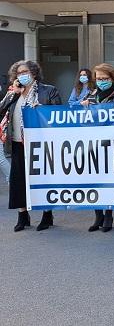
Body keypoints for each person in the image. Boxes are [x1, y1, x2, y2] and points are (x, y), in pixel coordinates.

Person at [0, 60, 61, 232]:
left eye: (25, 72)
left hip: (40, 143)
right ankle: (22, 216)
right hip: (19, 144)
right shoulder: (14, 93)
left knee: (41, 179)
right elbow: (1, 110)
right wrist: (14, 94)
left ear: (34, 72)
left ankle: (47, 215)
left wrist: (40, 109)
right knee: (18, 181)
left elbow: (58, 114)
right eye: (18, 73)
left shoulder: (48, 90)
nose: (22, 75)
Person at [81, 63, 114, 232]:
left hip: (113, 144)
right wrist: (82, 108)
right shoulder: (90, 98)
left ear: (112, 79)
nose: (102, 81)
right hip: (93, 144)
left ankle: (108, 214)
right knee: (94, 179)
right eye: (99, 78)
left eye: (105, 78)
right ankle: (98, 214)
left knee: (109, 180)